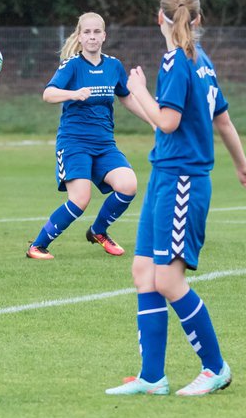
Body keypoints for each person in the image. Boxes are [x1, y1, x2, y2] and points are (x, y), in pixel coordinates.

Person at [105, 0, 246, 397]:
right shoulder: (203, 61)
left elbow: (169, 121)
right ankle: (152, 377)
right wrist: (243, 164)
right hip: (164, 177)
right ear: (199, 19)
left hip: (183, 182)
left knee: (169, 280)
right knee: (144, 272)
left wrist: (138, 90)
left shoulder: (178, 61)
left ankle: (215, 368)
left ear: (160, 18)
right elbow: (223, 121)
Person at [27, 13, 153, 260]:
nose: (92, 37)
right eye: (87, 32)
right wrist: (72, 94)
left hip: (104, 144)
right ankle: (37, 246)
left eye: (97, 32)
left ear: (104, 36)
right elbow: (48, 94)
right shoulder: (71, 66)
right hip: (74, 144)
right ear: (80, 36)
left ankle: (98, 231)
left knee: (128, 185)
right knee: (80, 199)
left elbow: (126, 97)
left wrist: (153, 120)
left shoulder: (113, 66)